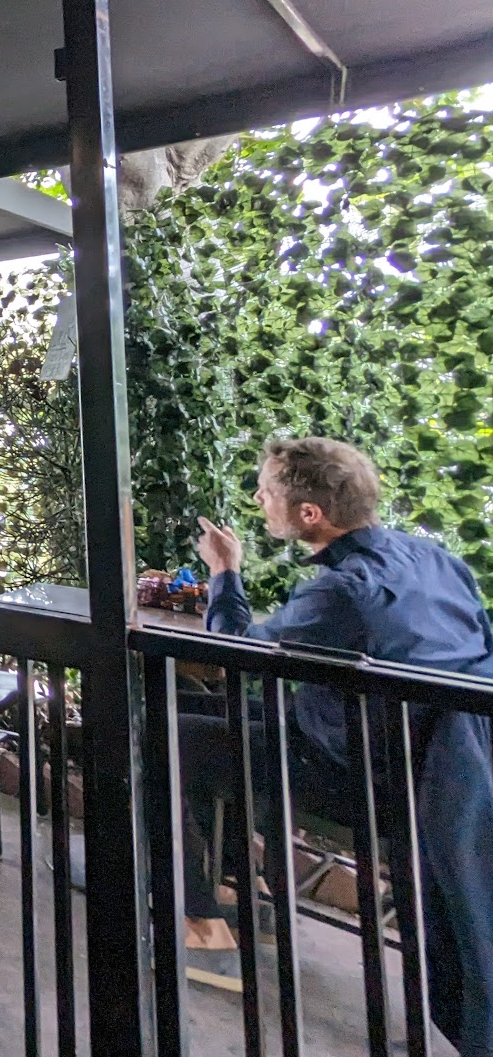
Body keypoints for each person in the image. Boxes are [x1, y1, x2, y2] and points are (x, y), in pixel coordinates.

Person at [178, 437, 493, 1022]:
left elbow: (234, 654)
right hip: (446, 771)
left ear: (310, 514)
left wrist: (225, 571)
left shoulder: (343, 589)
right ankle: (246, 896)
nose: (258, 500)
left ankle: (203, 930)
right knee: (186, 712)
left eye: (266, 492)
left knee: (165, 739)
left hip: (368, 782)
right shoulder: (436, 560)